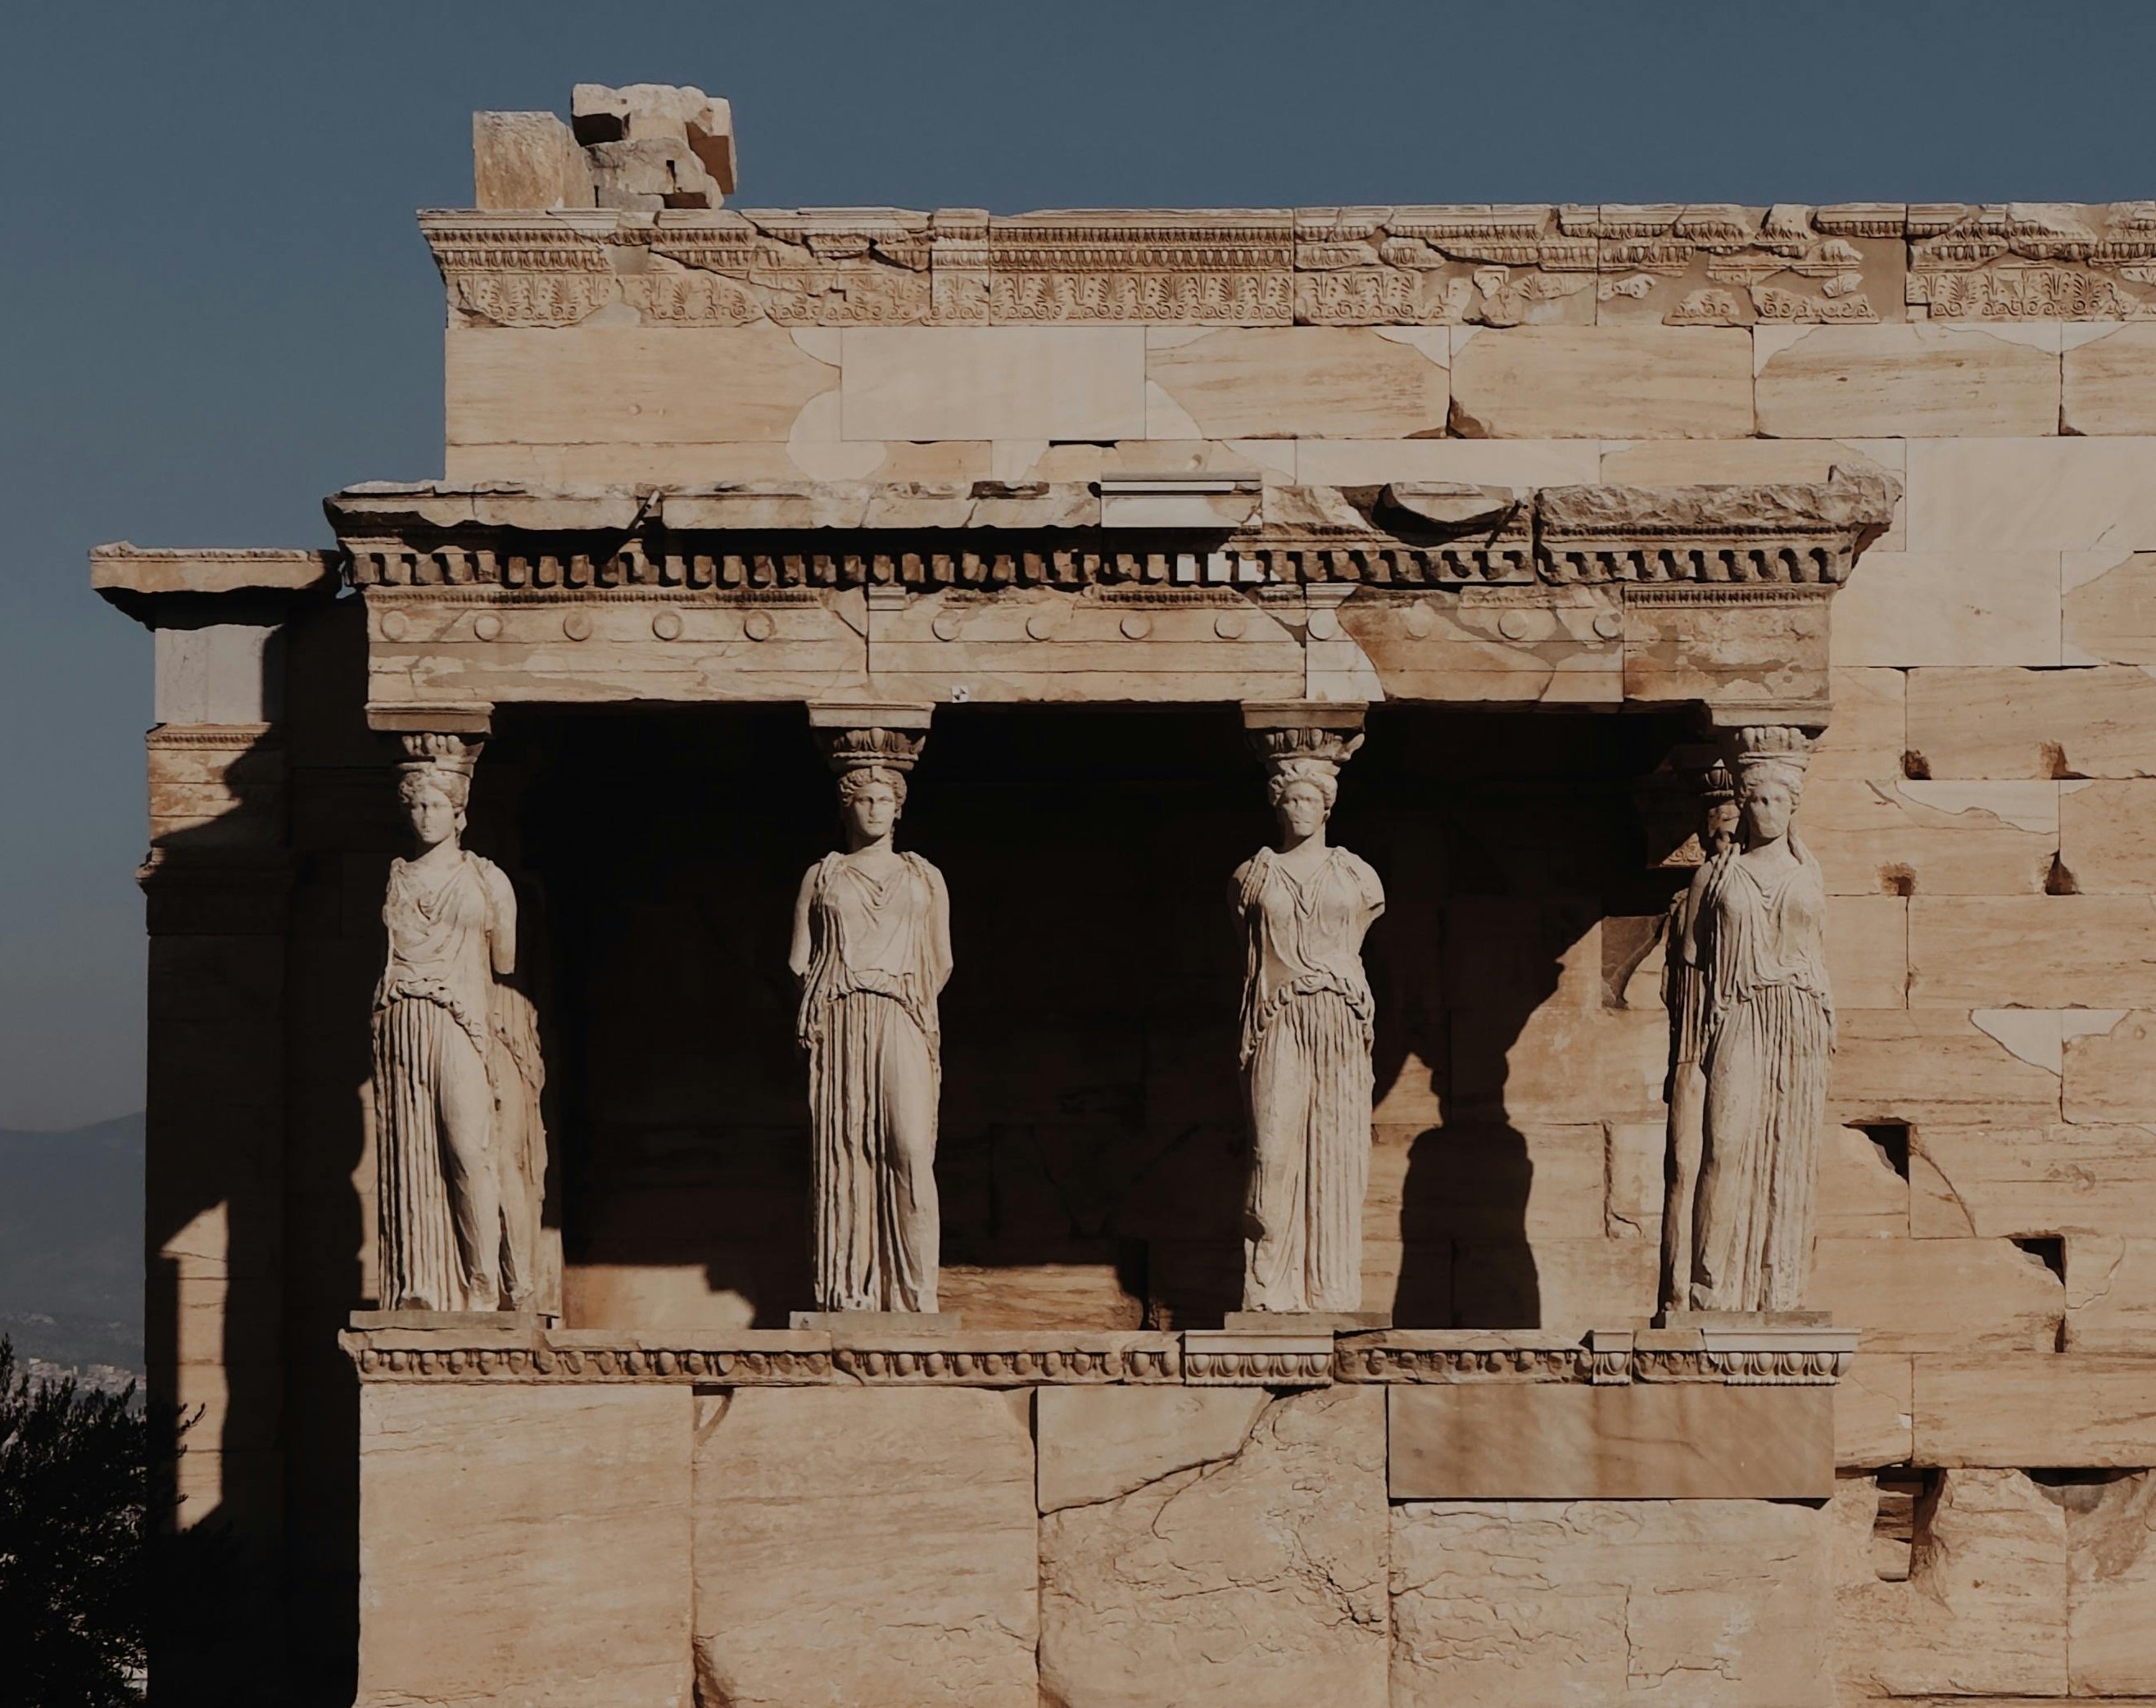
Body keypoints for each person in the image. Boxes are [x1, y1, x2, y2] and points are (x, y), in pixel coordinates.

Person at [372, 744, 541, 1312]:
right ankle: (423, 1284)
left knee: (470, 1147)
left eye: (436, 805)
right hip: (403, 1016)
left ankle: (485, 1280)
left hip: (463, 1017)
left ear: (459, 812)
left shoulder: (489, 881)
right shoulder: (397, 878)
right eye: (416, 805)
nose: (425, 816)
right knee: (414, 1148)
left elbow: (506, 960)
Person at [790, 761, 952, 1313]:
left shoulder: (924, 876)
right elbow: (799, 959)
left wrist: (898, 990)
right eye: (864, 800)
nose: (875, 809)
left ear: (899, 808)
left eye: (884, 799)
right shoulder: (822, 875)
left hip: (903, 1011)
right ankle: (849, 1290)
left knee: (910, 1145)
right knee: (848, 1146)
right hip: (841, 1018)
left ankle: (916, 1292)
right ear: (847, 807)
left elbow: (942, 959)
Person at [1685, 730, 1833, 1313]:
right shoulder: (1716, 876)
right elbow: (1693, 957)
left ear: (1793, 805)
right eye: (1756, 799)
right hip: (1740, 1012)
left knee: (1790, 1146)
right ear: (1743, 803)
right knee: (1725, 1141)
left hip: (1799, 1015)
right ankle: (1710, 1283)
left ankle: (1779, 1287)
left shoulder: (1809, 875)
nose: (1765, 810)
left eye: (1776, 800)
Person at [1233, 750, 1384, 1314]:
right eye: (1290, 799)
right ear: (1277, 807)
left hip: (1340, 1015)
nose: (1299, 809)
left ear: (1327, 808)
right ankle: (1269, 1286)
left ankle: (1330, 1289)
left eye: (1309, 800)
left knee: (1337, 1147)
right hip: (1278, 1016)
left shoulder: (1358, 875)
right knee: (1272, 1148)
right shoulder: (1251, 877)